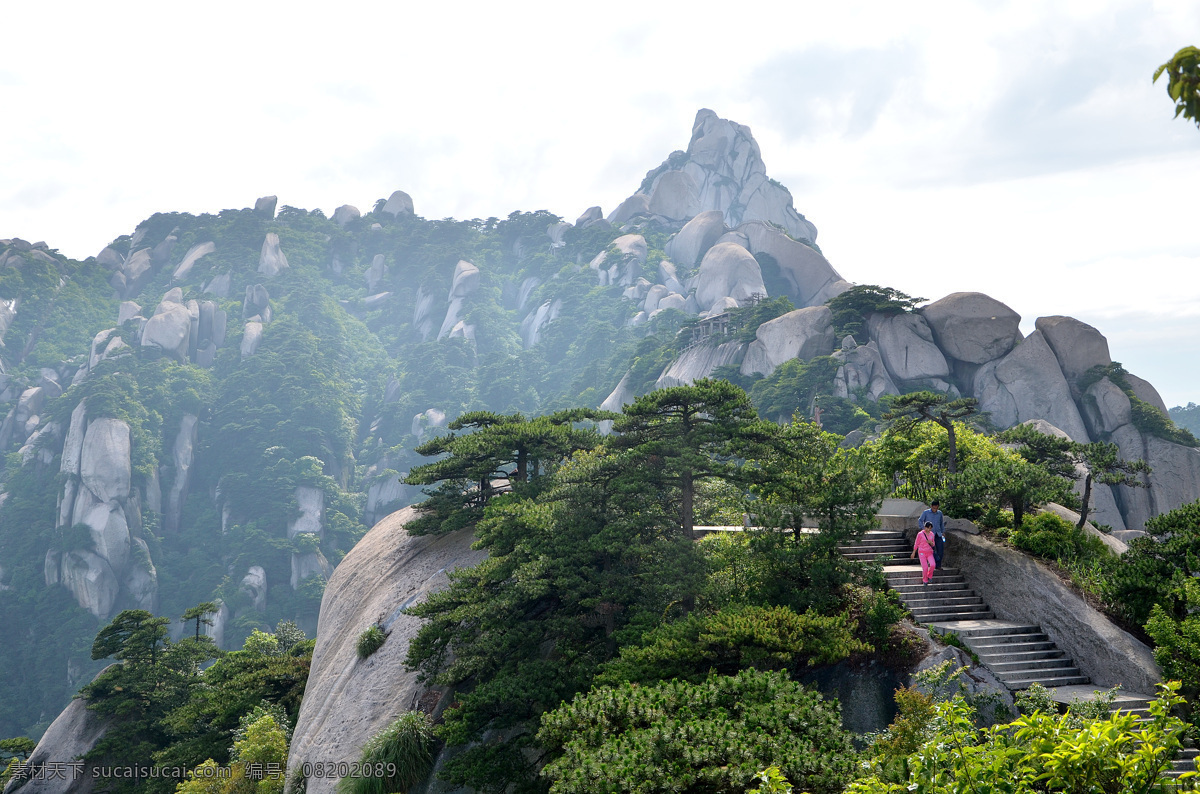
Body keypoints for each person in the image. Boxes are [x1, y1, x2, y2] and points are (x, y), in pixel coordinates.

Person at [919, 500, 946, 569]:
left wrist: (943, 532)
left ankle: (938, 565)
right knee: (930, 551)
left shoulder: (939, 513)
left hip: (938, 534)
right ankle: (931, 564)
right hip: (929, 535)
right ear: (931, 506)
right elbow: (920, 520)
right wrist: (923, 529)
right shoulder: (926, 513)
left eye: (936, 508)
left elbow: (941, 523)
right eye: (934, 508)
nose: (935, 509)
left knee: (940, 550)